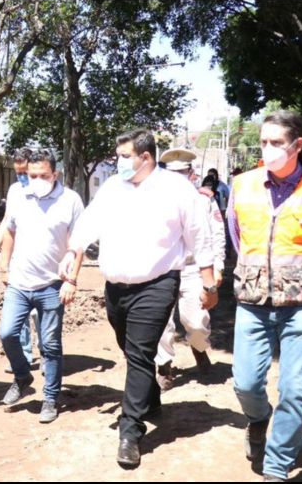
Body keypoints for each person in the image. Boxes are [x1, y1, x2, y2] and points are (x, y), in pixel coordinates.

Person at [61, 129, 218, 468]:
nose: (118, 163)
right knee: (130, 347)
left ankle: (130, 431)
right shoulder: (113, 188)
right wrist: (73, 249)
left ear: (145, 157)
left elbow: (198, 236)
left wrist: (208, 283)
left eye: (123, 156)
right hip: (116, 288)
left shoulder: (177, 190)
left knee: (139, 352)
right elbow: (90, 220)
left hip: (157, 284)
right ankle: (151, 395)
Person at [229, 111, 302, 482]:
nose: (268, 150)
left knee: (295, 391)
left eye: (276, 143)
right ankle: (259, 419)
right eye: (263, 142)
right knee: (245, 382)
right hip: (252, 301)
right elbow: (238, 238)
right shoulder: (243, 184)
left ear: (297, 145)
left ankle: (276, 468)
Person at [0, 149, 84, 424]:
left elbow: (78, 243)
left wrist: (71, 279)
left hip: (52, 285)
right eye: (31, 175)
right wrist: (5, 265)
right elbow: (10, 230)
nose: (35, 180)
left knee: (50, 344)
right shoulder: (19, 196)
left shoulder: (70, 200)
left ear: (54, 174)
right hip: (19, 283)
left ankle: (50, 397)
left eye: (42, 176)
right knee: (7, 333)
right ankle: (23, 377)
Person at [155, 148, 225, 391]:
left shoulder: (204, 199)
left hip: (194, 270)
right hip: (161, 271)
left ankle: (199, 348)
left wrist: (219, 268)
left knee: (196, 321)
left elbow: (217, 235)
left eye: (182, 173)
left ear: (191, 173)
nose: (177, 178)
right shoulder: (152, 200)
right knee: (161, 323)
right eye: (172, 173)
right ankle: (164, 366)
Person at [0, 148, 42, 372]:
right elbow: (7, 221)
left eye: (25, 172)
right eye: (18, 172)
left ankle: (47, 352)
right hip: (17, 258)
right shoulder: (14, 191)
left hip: (40, 259)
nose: (22, 177)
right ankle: (23, 355)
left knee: (40, 309)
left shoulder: (44, 190)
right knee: (19, 308)